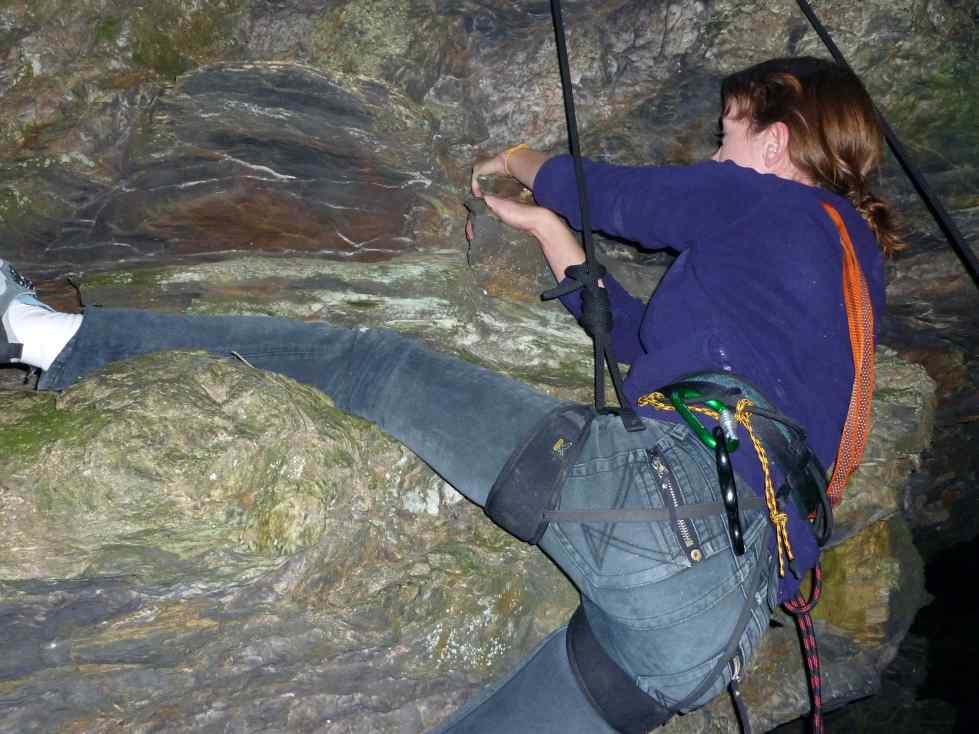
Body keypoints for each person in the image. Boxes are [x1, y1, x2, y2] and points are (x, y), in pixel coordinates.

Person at [0, 56, 897, 733]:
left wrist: (519, 159)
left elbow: (620, 195)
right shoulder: (838, 295)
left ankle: (42, 334)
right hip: (715, 632)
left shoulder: (769, 205)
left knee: (371, 369)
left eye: (727, 133)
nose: (715, 153)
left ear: (774, 140)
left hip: (667, 509)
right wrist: (550, 234)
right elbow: (638, 345)